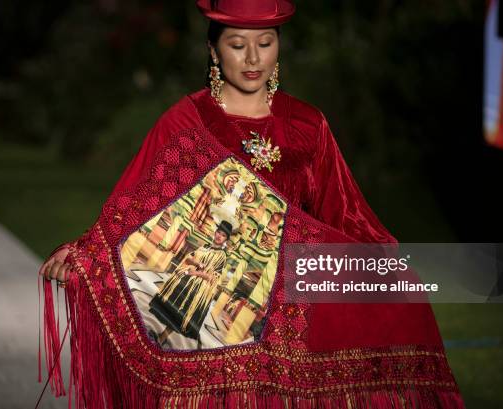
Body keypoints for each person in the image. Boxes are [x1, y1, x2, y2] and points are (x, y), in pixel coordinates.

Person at [38, 1, 465, 407]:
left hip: (288, 305)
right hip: (215, 303)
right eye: (237, 45)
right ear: (213, 49)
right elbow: (137, 206)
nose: (252, 58)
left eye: (265, 43)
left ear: (279, 45)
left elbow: (342, 211)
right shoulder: (188, 121)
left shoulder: (305, 124)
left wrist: (379, 268)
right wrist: (86, 252)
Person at [150, 220, 231, 346]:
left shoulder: (222, 255)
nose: (219, 236)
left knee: (180, 314)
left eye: (223, 235)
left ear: (226, 239)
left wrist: (195, 273)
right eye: (219, 232)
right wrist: (197, 264)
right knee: (171, 308)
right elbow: (188, 258)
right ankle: (161, 336)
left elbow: (214, 277)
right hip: (186, 280)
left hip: (197, 289)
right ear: (215, 233)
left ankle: (161, 339)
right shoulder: (204, 247)